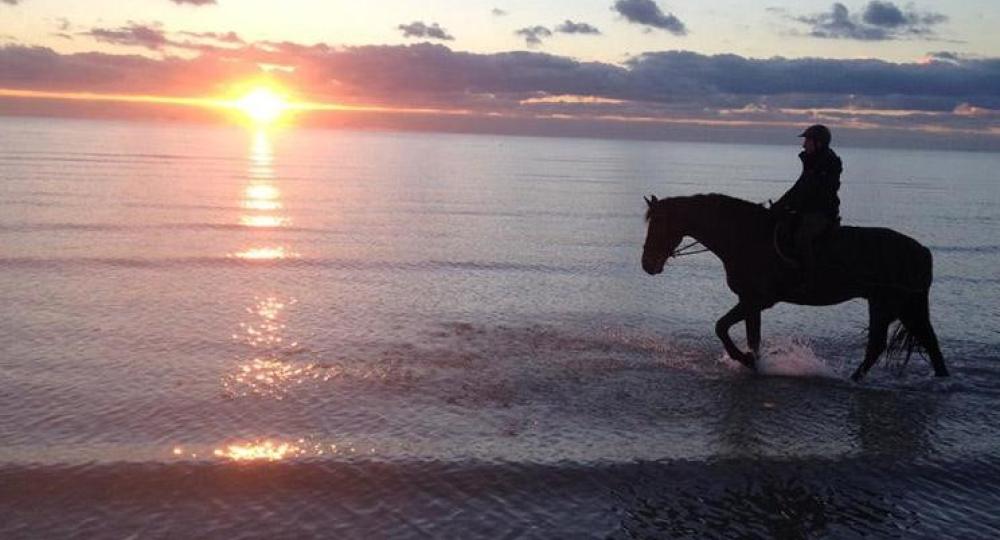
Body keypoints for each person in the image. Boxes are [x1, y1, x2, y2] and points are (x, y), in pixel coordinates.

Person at [772, 124, 842, 290]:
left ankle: (810, 277)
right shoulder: (812, 161)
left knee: (803, 236)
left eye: (807, 141)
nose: (804, 145)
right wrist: (779, 205)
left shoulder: (829, 162)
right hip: (807, 210)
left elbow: (814, 191)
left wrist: (791, 206)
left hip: (821, 213)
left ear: (819, 143)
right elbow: (799, 187)